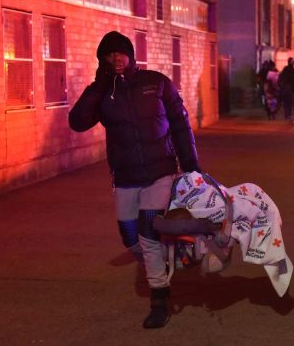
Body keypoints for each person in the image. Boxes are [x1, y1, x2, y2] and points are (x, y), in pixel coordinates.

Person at [68, 31, 200, 329]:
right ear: (102, 59)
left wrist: (191, 166)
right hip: (126, 177)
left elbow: (180, 123)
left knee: (148, 235)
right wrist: (100, 85)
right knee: (131, 240)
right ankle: (169, 259)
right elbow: (77, 122)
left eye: (120, 52)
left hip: (159, 173)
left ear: (131, 54)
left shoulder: (156, 83)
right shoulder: (103, 92)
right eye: (109, 54)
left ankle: (159, 300)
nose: (116, 58)